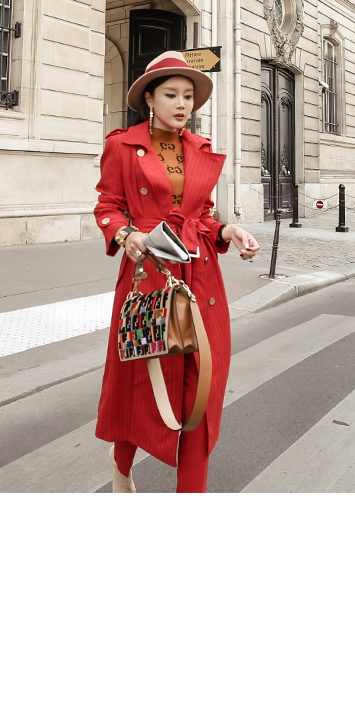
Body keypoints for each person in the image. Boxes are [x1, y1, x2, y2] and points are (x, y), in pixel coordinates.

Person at [94, 51, 259, 493]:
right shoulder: (122, 145)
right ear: (150, 98)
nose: (182, 103)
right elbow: (107, 205)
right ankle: (122, 463)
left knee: (203, 384)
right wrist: (126, 233)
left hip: (201, 277)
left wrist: (228, 231)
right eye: (171, 94)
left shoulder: (199, 148)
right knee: (143, 382)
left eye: (188, 95)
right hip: (150, 274)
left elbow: (201, 216)